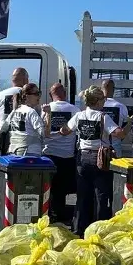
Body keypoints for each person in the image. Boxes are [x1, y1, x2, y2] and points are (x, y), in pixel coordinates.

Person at [59, 85, 126, 235]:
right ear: (97, 101)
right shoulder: (103, 117)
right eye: (103, 99)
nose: (104, 101)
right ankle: (98, 231)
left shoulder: (79, 116)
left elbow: (64, 131)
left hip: (82, 158)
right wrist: (129, 125)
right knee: (101, 196)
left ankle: (79, 230)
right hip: (100, 158)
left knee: (82, 196)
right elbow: (119, 134)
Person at [43, 82, 79, 225]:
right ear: (64, 94)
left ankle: (49, 214)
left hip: (48, 153)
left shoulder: (46, 109)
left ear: (51, 95)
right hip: (67, 154)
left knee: (49, 187)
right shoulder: (74, 109)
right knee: (62, 188)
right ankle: (60, 214)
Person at [7, 83, 50, 156]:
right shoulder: (31, 112)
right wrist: (48, 114)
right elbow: (46, 134)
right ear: (26, 96)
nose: (39, 96)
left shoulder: (13, 113)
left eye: (39, 93)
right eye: (36, 93)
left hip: (14, 153)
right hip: (30, 153)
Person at [0, 67, 30, 154]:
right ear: (25, 79)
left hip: (4, 137)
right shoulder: (29, 95)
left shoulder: (0, 95)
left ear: (12, 80)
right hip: (22, 138)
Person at [99, 79, 130, 156]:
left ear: (101, 89)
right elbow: (124, 129)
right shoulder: (121, 107)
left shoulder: (96, 105)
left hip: (99, 150)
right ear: (113, 89)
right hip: (115, 149)